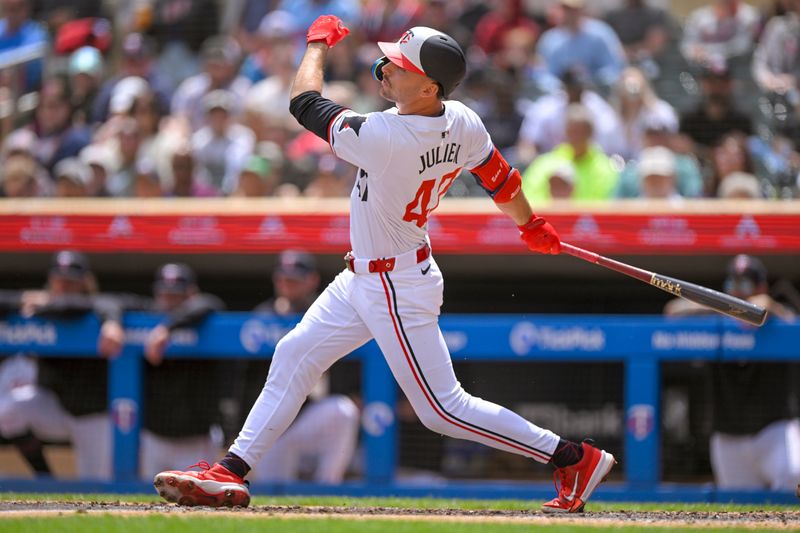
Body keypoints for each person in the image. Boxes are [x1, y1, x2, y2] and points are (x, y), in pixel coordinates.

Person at [154, 17, 616, 512]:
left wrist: (315, 44)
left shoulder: (386, 135)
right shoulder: (462, 119)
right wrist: (529, 224)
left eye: (398, 67)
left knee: (442, 410)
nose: (384, 72)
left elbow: (303, 103)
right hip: (366, 276)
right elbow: (500, 181)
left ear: (427, 85)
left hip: (394, 283)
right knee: (295, 353)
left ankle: (571, 457)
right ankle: (231, 470)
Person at [664, 255, 799, 490]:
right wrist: (721, 305)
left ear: (760, 287)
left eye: (745, 285)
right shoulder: (714, 316)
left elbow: (787, 318)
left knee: (794, 478)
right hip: (728, 436)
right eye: (732, 286)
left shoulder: (778, 313)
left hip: (773, 431)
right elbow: (672, 311)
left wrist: (764, 306)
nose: (738, 291)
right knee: (740, 511)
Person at [0, 250, 125, 479]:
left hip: (93, 414)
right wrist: (23, 299)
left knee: (97, 483)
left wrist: (112, 323)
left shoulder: (96, 307)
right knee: (7, 411)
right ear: (51, 279)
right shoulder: (38, 303)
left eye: (72, 279)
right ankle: (44, 476)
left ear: (84, 281)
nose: (65, 284)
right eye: (60, 279)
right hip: (54, 406)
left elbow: (102, 303)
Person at [243, 250, 360, 483]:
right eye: (284, 278)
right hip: (273, 426)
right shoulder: (262, 317)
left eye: (295, 279)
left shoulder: (327, 313)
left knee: (343, 410)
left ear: (312, 280)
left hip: (309, 417)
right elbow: (244, 381)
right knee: (269, 492)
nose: (289, 284)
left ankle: (328, 486)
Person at [134, 263, 227, 480]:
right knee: (147, 502)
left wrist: (167, 329)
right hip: (154, 436)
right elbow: (110, 302)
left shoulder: (201, 317)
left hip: (194, 439)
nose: (169, 300)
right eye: (165, 294)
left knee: (197, 504)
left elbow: (210, 303)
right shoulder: (147, 314)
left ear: (190, 293)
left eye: (176, 295)